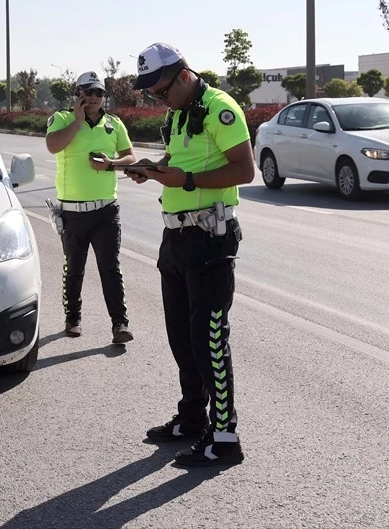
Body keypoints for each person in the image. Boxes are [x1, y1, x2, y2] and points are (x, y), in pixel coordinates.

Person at [126, 42, 256, 467]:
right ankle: (192, 418)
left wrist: (186, 180)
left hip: (210, 241)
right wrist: (152, 170)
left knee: (209, 340)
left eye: (160, 90)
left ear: (183, 75)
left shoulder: (220, 107)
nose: (157, 99)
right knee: (182, 338)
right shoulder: (179, 112)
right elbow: (178, 163)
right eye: (151, 94)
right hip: (175, 240)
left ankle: (225, 436)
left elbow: (244, 169)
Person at [45, 71, 137, 345]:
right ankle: (73, 317)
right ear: (78, 94)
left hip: (106, 211)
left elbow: (129, 156)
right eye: (89, 91)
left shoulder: (114, 124)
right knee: (74, 268)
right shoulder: (62, 119)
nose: (94, 97)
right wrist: (78, 121)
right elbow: (52, 146)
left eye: (99, 92)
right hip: (73, 213)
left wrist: (112, 164)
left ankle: (119, 324)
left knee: (111, 268)